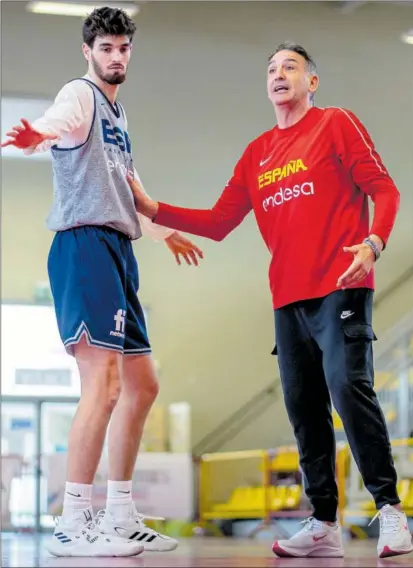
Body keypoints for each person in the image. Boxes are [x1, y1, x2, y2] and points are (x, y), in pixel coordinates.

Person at [127, 42, 413, 559]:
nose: (279, 75)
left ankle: (391, 511)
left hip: (343, 283)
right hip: (288, 299)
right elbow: (219, 221)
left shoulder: (337, 125)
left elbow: (386, 190)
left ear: (312, 82)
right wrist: (154, 209)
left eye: (291, 67)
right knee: (304, 410)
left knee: (349, 390)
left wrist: (373, 244)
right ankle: (323, 522)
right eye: (272, 69)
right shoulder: (257, 154)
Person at [1, 7, 204, 558]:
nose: (115, 57)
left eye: (123, 48)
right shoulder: (82, 95)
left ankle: (118, 512)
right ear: (87, 51)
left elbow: (130, 190)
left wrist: (165, 233)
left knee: (144, 385)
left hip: (118, 249)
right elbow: (58, 121)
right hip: (83, 245)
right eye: (106, 48)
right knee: (105, 386)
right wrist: (36, 133)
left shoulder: (120, 114)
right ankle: (73, 520)